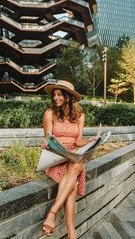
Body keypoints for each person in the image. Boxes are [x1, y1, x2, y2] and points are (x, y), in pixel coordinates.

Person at [42, 80, 95, 238]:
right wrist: (46, 143)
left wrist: (90, 141)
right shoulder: (50, 113)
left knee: (76, 164)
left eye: (59, 95)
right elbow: (48, 138)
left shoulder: (79, 115)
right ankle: (71, 232)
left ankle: (54, 215)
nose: (56, 98)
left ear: (68, 97)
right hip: (55, 157)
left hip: (72, 156)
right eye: (55, 95)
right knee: (73, 179)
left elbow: (78, 141)